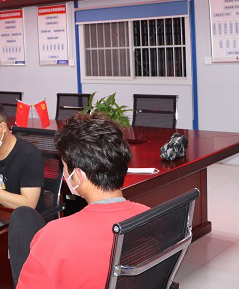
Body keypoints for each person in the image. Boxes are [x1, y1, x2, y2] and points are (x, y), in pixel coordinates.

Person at [12, 113, 150, 288]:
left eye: (64, 167)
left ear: (78, 176)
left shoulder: (54, 237)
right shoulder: (150, 217)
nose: (64, 173)